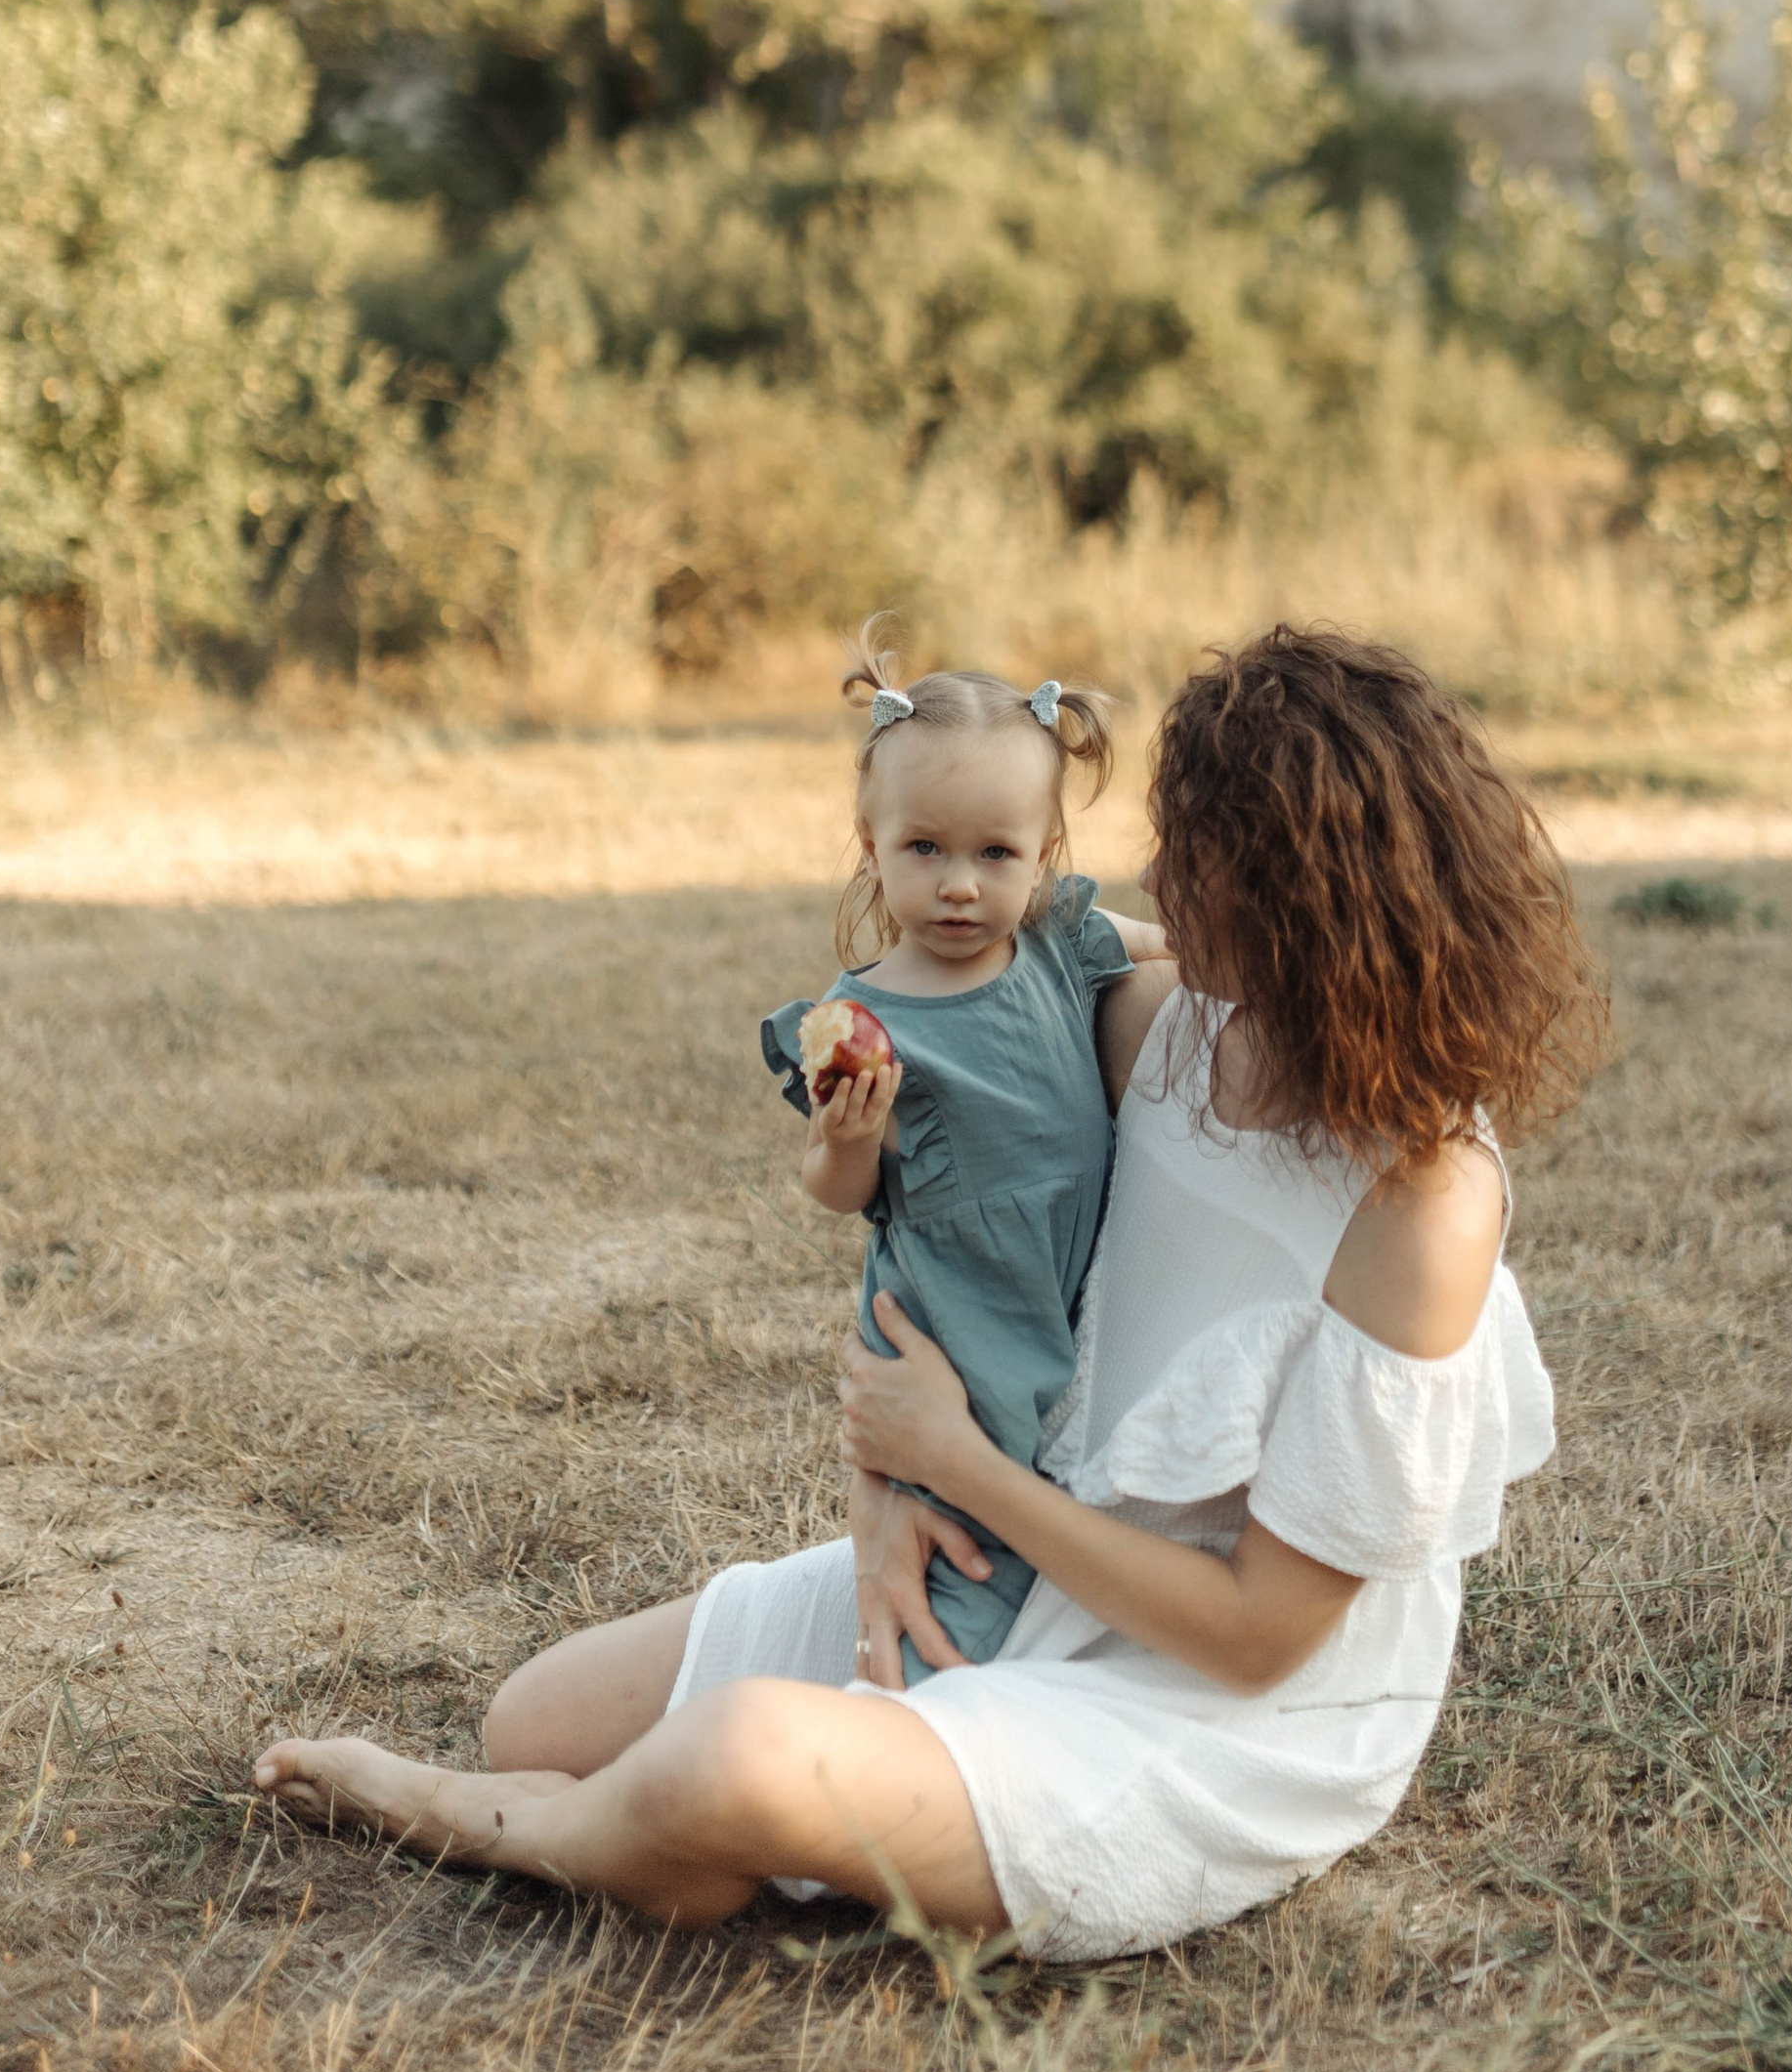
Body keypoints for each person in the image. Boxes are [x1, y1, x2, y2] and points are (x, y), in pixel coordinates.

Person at [253, 625, 1605, 1960]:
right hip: (1017, 1565)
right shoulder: (1162, 1027)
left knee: (726, 1760)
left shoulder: (1421, 1200)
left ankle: (494, 1829)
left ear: (1311, 898)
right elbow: (938, 1223)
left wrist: (950, 1458)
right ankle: (606, 1815)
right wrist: (888, 1496)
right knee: (539, 1720)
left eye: (1208, 866)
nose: (1172, 890)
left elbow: (1260, 1638)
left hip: (1215, 1711)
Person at [761, 628, 1164, 1681]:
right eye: (924, 849)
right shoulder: (859, 1017)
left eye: (996, 854)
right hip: (951, 1310)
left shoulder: (1057, 945)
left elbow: (1185, 948)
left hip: (1054, 1279)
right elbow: (842, 1193)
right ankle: (914, 1695)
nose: (957, 886)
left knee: (1050, 1485)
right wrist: (842, 1141)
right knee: (965, 1530)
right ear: (870, 844)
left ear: (1041, 856)